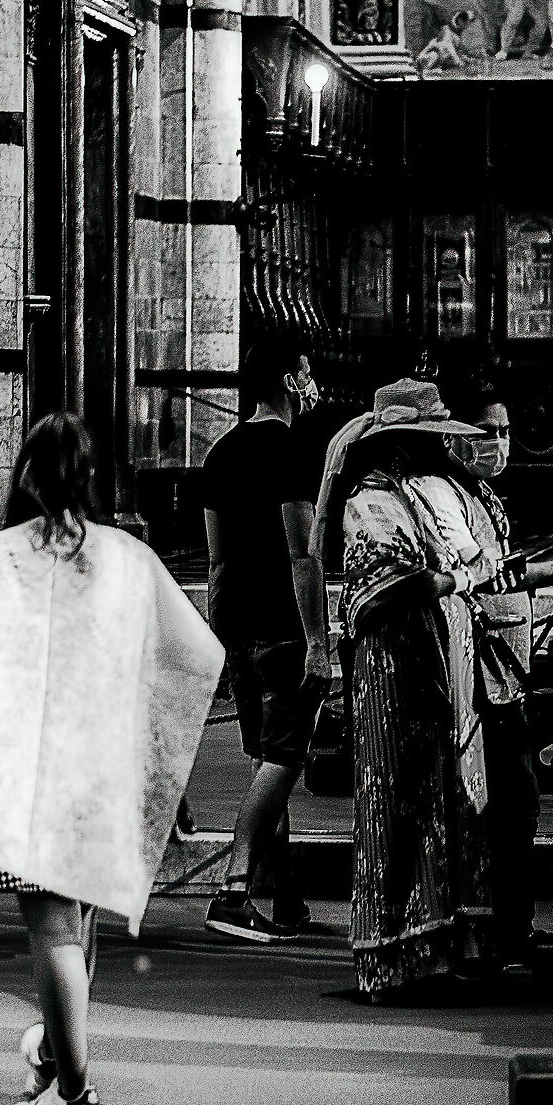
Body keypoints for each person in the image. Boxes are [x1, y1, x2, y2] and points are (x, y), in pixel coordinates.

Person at [0, 415, 223, 1105]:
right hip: (104, 762)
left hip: (26, 768)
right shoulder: (126, 557)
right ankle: (56, 1057)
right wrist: (153, 741)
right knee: (78, 919)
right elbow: (196, 653)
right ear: (92, 477)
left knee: (50, 925)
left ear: (23, 475)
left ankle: (76, 1094)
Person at [313, 381, 492, 1000]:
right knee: (394, 800)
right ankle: (388, 953)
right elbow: (382, 583)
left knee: (441, 797)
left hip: (441, 657)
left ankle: (438, 946)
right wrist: (448, 579)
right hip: (392, 665)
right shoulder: (372, 500)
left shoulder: (442, 491)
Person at [445, 399, 553, 964]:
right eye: (486, 430)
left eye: (506, 430)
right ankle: (509, 927)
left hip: (506, 666)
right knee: (513, 802)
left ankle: (547, 902)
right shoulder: (446, 494)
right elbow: (492, 574)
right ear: (456, 436)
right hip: (481, 674)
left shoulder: (483, 497)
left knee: (540, 783)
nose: (498, 441)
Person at [197, 340, 331, 944]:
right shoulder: (293, 450)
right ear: (285, 378)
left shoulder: (219, 456)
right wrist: (319, 640)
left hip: (240, 630)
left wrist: (221, 641)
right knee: (283, 761)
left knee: (266, 761)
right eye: (305, 371)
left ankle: (287, 901)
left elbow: (218, 561)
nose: (313, 383)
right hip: (283, 629)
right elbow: (303, 554)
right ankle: (232, 888)